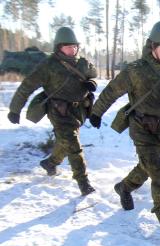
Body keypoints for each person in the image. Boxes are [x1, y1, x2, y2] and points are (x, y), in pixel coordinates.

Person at [89, 21, 160, 238]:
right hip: (142, 128)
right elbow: (111, 91)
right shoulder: (136, 71)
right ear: (153, 47)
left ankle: (125, 187)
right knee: (157, 171)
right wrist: (96, 112)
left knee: (147, 165)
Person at [7, 27, 97, 196]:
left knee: (65, 142)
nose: (73, 50)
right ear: (59, 47)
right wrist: (14, 109)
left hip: (79, 110)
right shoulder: (48, 66)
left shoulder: (83, 63)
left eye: (75, 46)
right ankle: (83, 182)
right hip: (58, 111)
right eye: (68, 46)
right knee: (73, 144)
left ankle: (50, 163)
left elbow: (93, 73)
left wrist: (92, 82)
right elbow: (27, 86)